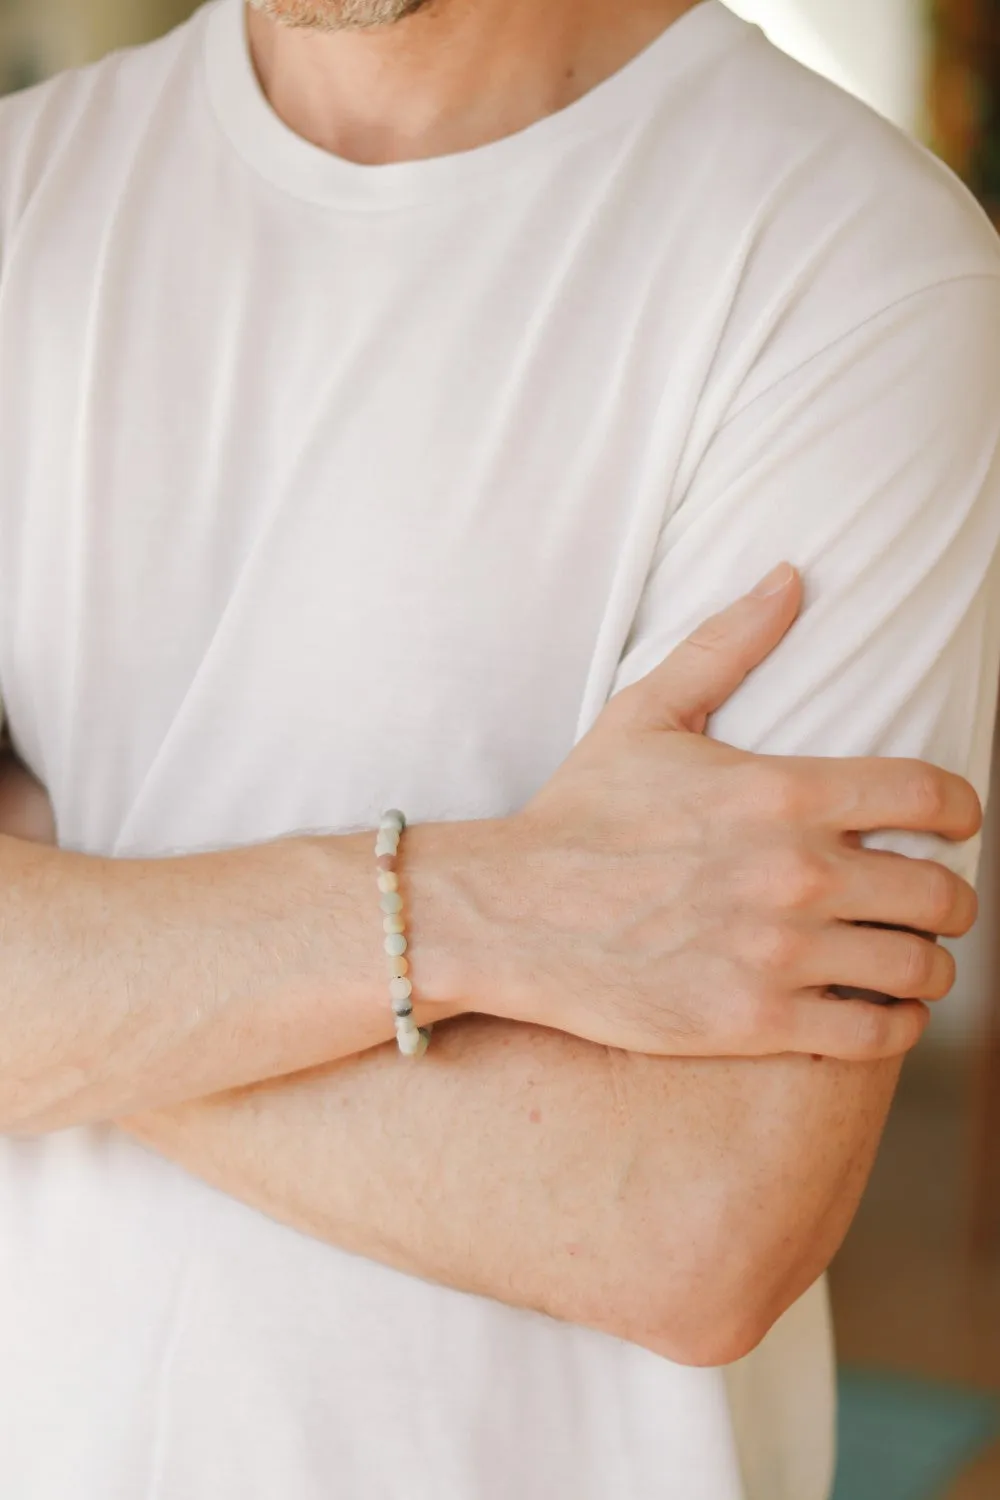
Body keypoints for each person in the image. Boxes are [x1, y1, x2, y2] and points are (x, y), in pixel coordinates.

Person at [0, 0, 997, 1496]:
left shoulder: (854, 265)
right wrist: (486, 909)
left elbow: (691, 1221)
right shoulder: (27, 198)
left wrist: (72, 968)